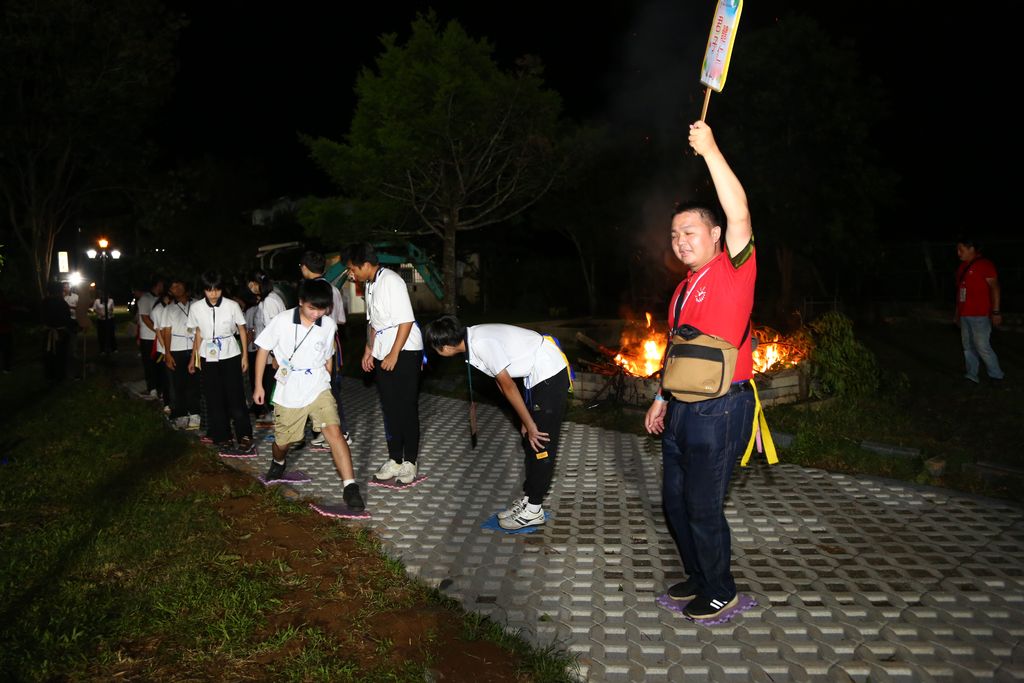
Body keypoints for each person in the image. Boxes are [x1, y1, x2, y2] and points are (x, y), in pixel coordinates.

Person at [643, 121, 756, 620]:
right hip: (682, 409)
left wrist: (710, 150)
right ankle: (698, 573)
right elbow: (675, 351)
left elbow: (740, 210)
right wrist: (660, 398)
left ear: (715, 235)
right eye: (674, 234)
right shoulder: (682, 288)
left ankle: (721, 588)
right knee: (675, 502)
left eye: (689, 232)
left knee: (704, 505)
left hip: (722, 408)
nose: (680, 241)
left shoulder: (734, 271)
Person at [424, 315, 572, 530]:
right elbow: (501, 383)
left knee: (541, 443)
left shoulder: (481, 344)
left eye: (435, 348)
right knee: (529, 442)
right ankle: (530, 498)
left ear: (445, 347)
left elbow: (509, 385)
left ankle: (534, 509)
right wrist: (524, 418)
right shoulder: (472, 339)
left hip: (549, 373)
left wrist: (531, 424)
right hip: (535, 375)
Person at [253, 278, 365, 511]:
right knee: (285, 442)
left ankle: (350, 487)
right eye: (312, 308)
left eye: (322, 309)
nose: (317, 314)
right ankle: (278, 460)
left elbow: (328, 354)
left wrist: (328, 377)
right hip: (289, 388)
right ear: (301, 302)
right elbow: (263, 350)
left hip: (317, 385)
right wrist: (258, 386)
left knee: (334, 432)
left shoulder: (328, 325)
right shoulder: (282, 321)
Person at [344, 242, 423, 484]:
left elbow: (406, 321)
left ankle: (410, 462)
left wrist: (394, 354)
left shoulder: (391, 281)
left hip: (405, 350)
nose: (350, 274)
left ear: (366, 265)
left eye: (352, 269)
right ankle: (395, 459)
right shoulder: (370, 284)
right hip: (382, 350)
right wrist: (369, 349)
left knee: (406, 406)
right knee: (389, 407)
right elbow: (373, 322)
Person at [188, 271, 253, 449]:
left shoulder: (232, 305)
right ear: (203, 290)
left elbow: (242, 329)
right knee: (214, 397)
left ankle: (244, 435)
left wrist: (245, 355)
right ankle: (222, 436)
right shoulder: (196, 308)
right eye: (209, 290)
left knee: (236, 395)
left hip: (230, 353)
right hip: (207, 355)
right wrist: (194, 358)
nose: (213, 294)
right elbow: (198, 333)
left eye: (217, 289)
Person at [300, 251, 350, 445]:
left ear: (305, 267)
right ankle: (326, 429)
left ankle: (341, 431)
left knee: (328, 388)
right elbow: (341, 320)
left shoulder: (308, 290)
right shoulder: (333, 289)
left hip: (319, 344)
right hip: (331, 341)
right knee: (324, 387)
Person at [955, 238, 1004, 383]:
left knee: (982, 346)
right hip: (965, 313)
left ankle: (996, 375)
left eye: (961, 249)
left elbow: (995, 287)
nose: (958, 253)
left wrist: (996, 311)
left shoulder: (985, 265)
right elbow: (960, 292)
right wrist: (957, 313)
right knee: (968, 346)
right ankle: (972, 375)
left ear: (971, 249)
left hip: (980, 314)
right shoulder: (962, 267)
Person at [160, 277, 201, 429]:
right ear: (170, 291)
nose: (176, 289)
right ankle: (181, 413)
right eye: (173, 287)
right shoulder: (169, 309)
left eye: (179, 285)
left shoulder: (197, 304)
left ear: (185, 285)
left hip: (196, 347)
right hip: (177, 349)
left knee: (194, 382)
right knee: (178, 383)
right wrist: (168, 353)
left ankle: (195, 413)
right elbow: (166, 331)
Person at [136, 276, 165, 398]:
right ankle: (152, 388)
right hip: (148, 337)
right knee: (149, 363)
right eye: (162, 284)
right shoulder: (145, 298)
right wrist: (158, 331)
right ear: (157, 285)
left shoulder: (161, 299)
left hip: (159, 337)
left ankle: (160, 388)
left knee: (160, 364)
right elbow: (145, 318)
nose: (163, 286)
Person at [42, 282, 75, 382]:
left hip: (48, 332)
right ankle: (59, 376)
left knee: (50, 354)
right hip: (60, 334)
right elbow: (67, 319)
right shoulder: (61, 303)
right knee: (60, 354)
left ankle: (50, 375)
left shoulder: (44, 302)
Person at [91, 289, 117, 354]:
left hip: (109, 319)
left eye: (107, 295)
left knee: (111, 334)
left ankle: (113, 348)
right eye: (103, 295)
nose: (105, 296)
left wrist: (109, 313)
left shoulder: (111, 300)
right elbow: (94, 309)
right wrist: (100, 313)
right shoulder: (97, 301)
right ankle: (102, 349)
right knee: (101, 335)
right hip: (100, 320)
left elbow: (112, 309)